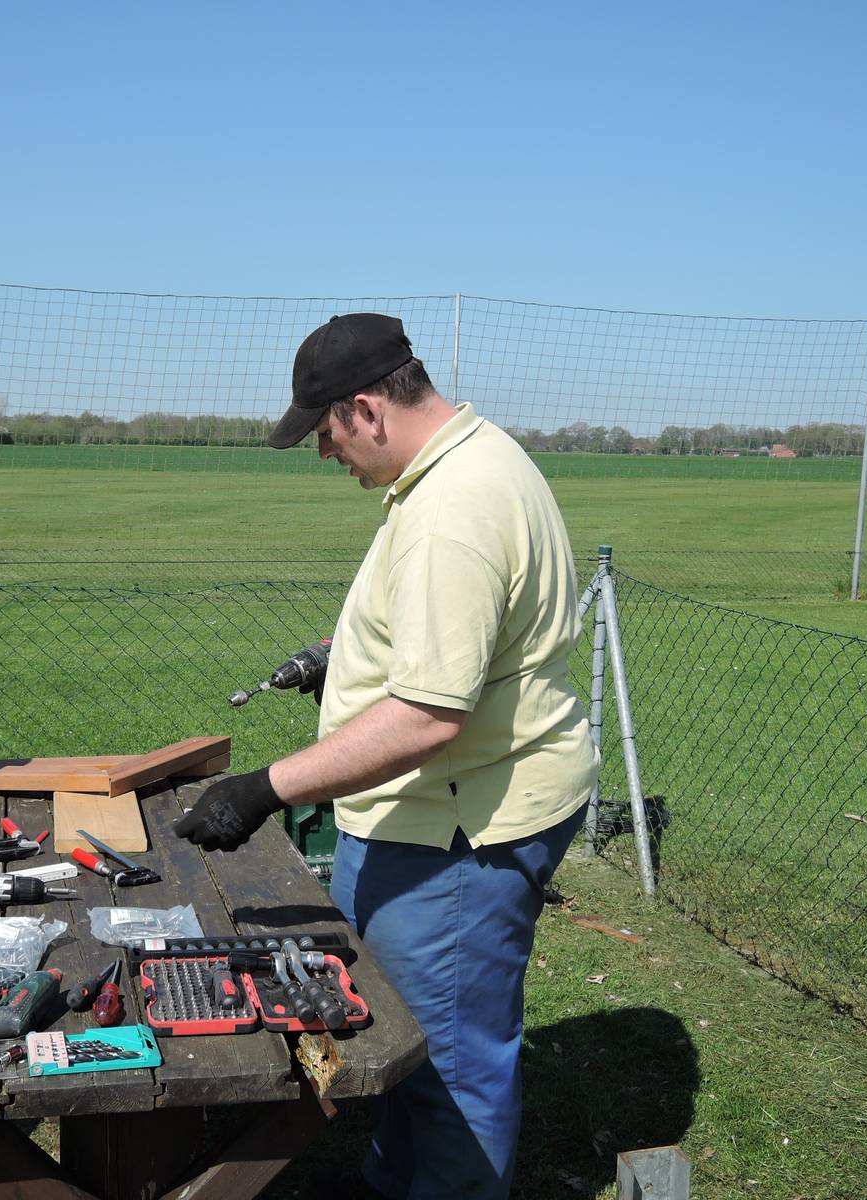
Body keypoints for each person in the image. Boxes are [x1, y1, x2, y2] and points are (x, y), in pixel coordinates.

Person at [174, 314, 599, 1199]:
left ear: (366, 409)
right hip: (442, 809)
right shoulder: (470, 461)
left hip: (457, 830)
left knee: (446, 1061)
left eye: (324, 432)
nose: (323, 453)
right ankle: (396, 1180)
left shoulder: (451, 510)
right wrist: (354, 659)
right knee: (403, 1031)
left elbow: (428, 716)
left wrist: (262, 789)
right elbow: (462, 640)